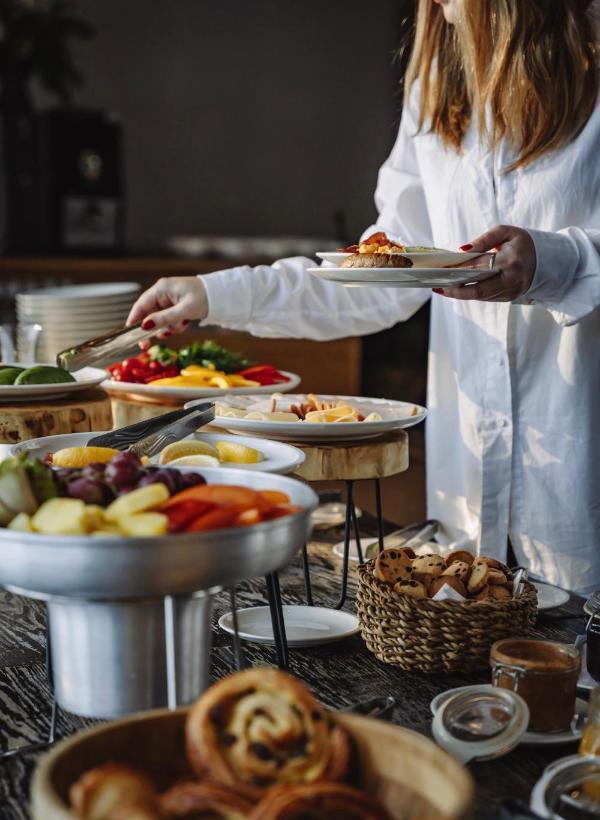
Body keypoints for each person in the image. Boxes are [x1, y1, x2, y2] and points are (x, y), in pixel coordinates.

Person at [127, 0, 600, 594]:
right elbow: (380, 279)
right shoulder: (435, 90)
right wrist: (213, 294)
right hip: (471, 501)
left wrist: (560, 261)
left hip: (581, 493)